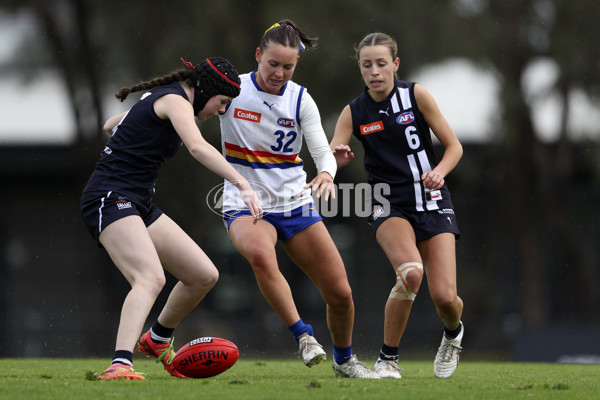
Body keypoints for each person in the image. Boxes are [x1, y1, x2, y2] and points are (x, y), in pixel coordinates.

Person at [81, 57, 262, 380]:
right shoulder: (175, 100)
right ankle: (120, 364)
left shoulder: (166, 100)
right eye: (221, 103)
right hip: (109, 197)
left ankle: (158, 338)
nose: (220, 111)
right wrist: (242, 182)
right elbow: (197, 148)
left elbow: (112, 122)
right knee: (150, 278)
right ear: (206, 90)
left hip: (138, 201)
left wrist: (127, 120)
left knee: (203, 274)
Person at [217, 20, 379, 379]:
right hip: (246, 203)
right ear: (258, 56)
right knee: (261, 253)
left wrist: (326, 172)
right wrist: (140, 115)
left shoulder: (301, 99)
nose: (279, 73)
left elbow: (322, 151)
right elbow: (180, 100)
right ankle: (304, 336)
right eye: (272, 64)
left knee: (340, 293)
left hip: (295, 204)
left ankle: (345, 361)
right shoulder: (231, 89)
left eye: (287, 67)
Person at [330, 32, 464, 379]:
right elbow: (331, 156)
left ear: (395, 65)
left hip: (431, 199)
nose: (374, 71)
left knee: (447, 300)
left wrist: (439, 172)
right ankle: (387, 360)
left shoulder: (416, 94)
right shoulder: (353, 112)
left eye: (381, 63)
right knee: (410, 273)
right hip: (384, 200)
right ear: (359, 69)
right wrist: (336, 161)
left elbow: (454, 147)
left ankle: (453, 335)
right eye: (366, 65)